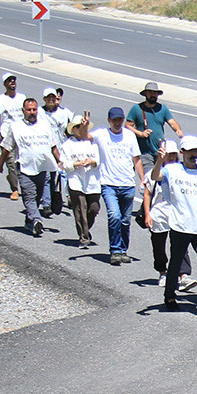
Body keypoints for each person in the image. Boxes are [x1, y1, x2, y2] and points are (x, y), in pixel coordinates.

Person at [152, 135, 197, 322]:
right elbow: (155, 176)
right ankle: (169, 295)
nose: (194, 154)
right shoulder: (172, 170)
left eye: (196, 151)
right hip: (181, 226)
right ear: (182, 152)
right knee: (175, 265)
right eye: (190, 151)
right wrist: (160, 160)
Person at [0, 98, 62, 236]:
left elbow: (53, 145)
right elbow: (6, 148)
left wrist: (60, 161)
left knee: (37, 197)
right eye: (29, 110)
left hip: (42, 168)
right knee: (29, 196)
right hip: (25, 168)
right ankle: (37, 220)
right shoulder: (16, 127)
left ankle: (29, 221)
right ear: (23, 111)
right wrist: (0, 165)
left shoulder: (45, 125)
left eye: (34, 109)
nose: (32, 112)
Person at [91, 107, 144, 265]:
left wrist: (143, 179)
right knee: (114, 216)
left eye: (120, 119)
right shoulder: (101, 134)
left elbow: (137, 159)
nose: (117, 122)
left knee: (125, 220)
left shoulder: (129, 135)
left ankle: (123, 250)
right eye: (114, 120)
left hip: (127, 184)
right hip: (109, 184)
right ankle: (115, 250)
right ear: (109, 120)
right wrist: (83, 126)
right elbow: (84, 137)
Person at [143, 140, 197, 291]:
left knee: (181, 245)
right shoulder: (154, 172)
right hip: (159, 215)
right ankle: (162, 272)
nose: (172, 157)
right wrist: (147, 215)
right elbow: (147, 195)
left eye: (174, 154)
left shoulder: (183, 172)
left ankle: (183, 275)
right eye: (168, 155)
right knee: (159, 246)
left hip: (177, 214)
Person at [59, 113, 101, 249]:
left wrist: (92, 162)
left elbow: (99, 161)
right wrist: (76, 164)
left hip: (92, 180)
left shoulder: (92, 144)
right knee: (80, 209)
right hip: (75, 180)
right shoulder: (67, 145)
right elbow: (64, 163)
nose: (81, 128)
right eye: (78, 126)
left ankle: (86, 228)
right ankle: (84, 237)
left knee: (93, 208)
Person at [126, 81, 183, 172]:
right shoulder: (137, 109)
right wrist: (140, 134)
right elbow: (128, 126)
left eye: (155, 93)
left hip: (160, 152)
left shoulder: (162, 109)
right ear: (145, 94)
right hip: (145, 152)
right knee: (150, 177)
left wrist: (178, 130)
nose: (153, 95)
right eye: (150, 92)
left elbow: (172, 122)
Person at [39, 87, 73, 217]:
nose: (51, 100)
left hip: (60, 149)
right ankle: (46, 204)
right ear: (45, 99)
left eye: (53, 97)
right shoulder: (40, 113)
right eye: (49, 98)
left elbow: (72, 126)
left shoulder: (64, 113)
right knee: (47, 176)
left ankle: (59, 198)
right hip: (45, 149)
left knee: (57, 176)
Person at [0, 73, 26, 200]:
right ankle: (15, 189)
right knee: (11, 162)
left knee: (21, 163)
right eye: (9, 81)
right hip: (7, 134)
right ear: (5, 84)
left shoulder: (22, 98)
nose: (12, 82)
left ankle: (16, 180)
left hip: (21, 134)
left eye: (13, 80)